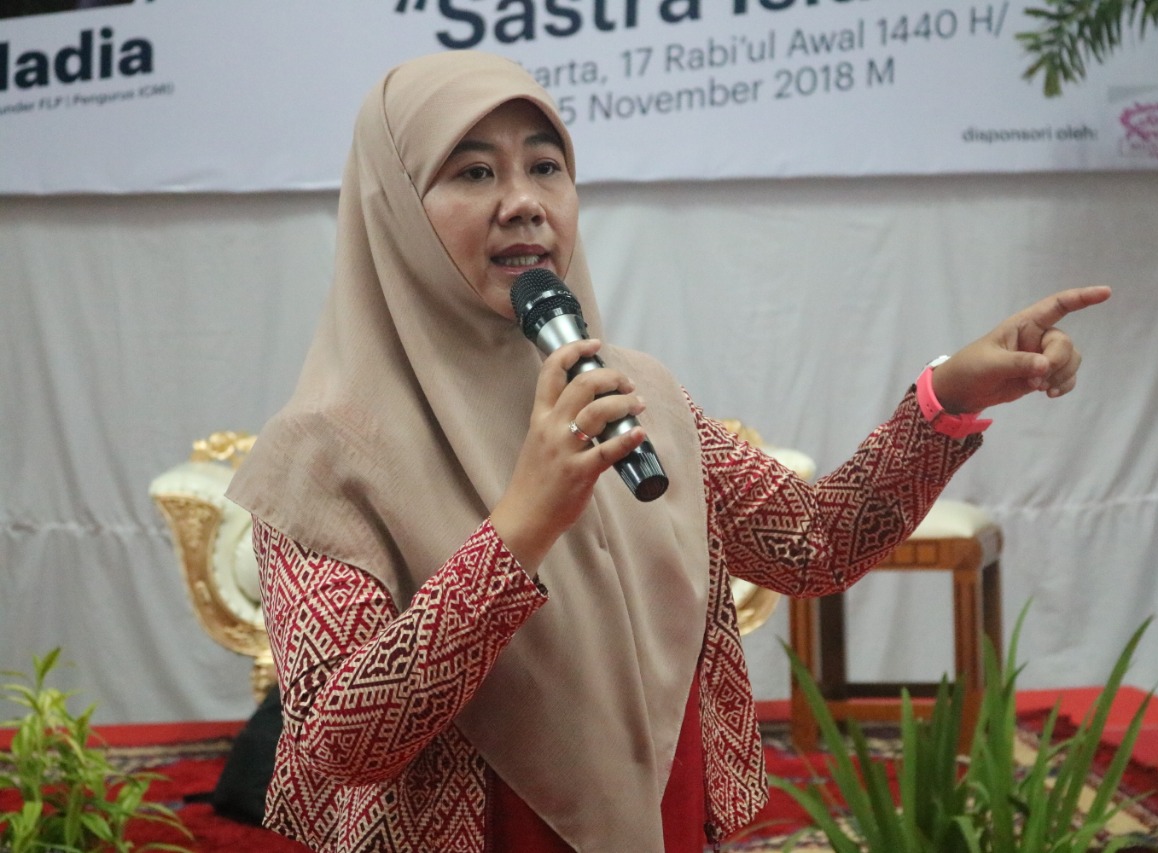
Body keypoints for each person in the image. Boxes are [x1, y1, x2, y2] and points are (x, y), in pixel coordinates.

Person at [225, 50, 1110, 853]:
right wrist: (519, 529)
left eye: (545, 166)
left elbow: (814, 544)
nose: (524, 200)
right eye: (473, 171)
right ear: (393, 210)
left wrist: (949, 398)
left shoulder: (631, 391)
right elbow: (343, 743)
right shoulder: (322, 452)